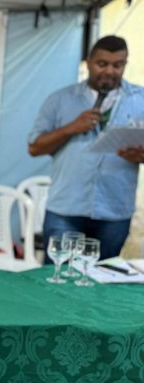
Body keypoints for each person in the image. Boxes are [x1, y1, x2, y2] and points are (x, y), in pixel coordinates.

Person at [28, 36, 144, 261]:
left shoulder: (140, 100)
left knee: (102, 278)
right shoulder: (60, 99)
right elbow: (34, 148)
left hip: (114, 209)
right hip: (66, 208)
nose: (109, 71)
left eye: (117, 65)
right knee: (57, 274)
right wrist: (71, 128)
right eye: (102, 64)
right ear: (88, 62)